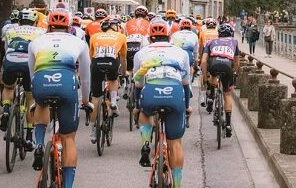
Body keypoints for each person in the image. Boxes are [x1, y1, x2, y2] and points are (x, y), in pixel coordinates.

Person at [28, 10, 91, 188]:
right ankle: (68, 185)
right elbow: (85, 78)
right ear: (69, 27)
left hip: (41, 81)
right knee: (69, 138)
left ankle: (39, 144)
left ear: (48, 26)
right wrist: (85, 101)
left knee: (40, 104)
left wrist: (36, 96)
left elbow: (32, 73)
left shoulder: (36, 42)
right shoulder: (79, 42)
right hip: (66, 82)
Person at [133, 19, 191, 188]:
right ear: (169, 36)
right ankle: (177, 184)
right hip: (175, 92)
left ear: (149, 37)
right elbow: (186, 84)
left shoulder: (141, 53)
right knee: (175, 143)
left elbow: (138, 82)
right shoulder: (181, 53)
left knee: (145, 112)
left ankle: (145, 143)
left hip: (151, 91)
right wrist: (186, 106)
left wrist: (138, 106)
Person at [0, 9, 45, 151]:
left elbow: (5, 49)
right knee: (31, 99)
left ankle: (6, 110)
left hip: (11, 60)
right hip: (28, 65)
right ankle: (29, 137)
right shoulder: (40, 32)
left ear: (19, 21)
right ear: (34, 22)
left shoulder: (10, 30)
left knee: (8, 87)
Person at [88, 16, 127, 143]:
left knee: (96, 97)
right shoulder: (121, 36)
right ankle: (114, 101)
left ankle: (93, 129)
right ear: (114, 27)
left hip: (96, 63)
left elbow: (91, 56)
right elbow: (123, 58)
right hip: (112, 63)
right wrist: (123, 73)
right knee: (113, 79)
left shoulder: (94, 36)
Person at [201, 23, 240, 138]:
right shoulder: (234, 42)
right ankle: (228, 125)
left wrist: (205, 77)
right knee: (227, 94)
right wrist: (234, 73)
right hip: (227, 66)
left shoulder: (211, 42)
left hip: (214, 64)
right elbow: (237, 62)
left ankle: (211, 96)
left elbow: (204, 61)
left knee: (212, 76)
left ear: (219, 34)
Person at [125, 6, 150, 74]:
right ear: (146, 15)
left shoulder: (128, 22)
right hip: (142, 45)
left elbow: (124, 35)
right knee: (143, 68)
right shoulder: (148, 23)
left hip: (129, 45)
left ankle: (128, 77)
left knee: (129, 70)